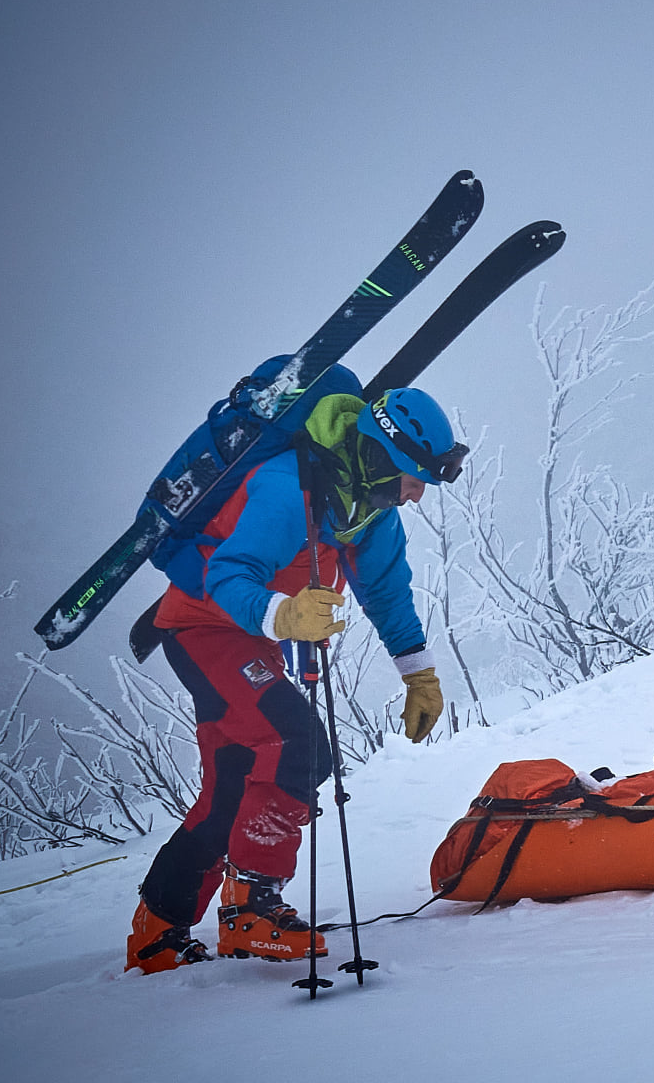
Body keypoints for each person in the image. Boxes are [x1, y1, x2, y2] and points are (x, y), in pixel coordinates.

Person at [125, 386, 465, 972]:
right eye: (412, 478)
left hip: (248, 641)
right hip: (204, 629)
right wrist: (282, 615)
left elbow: (386, 593)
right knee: (299, 747)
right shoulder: (288, 487)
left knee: (233, 782)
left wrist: (419, 675)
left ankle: (157, 929)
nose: (414, 495)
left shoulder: (368, 509)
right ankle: (251, 904)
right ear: (380, 457)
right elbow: (231, 573)